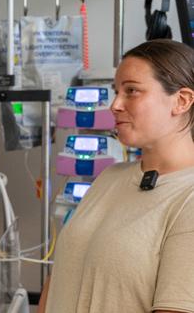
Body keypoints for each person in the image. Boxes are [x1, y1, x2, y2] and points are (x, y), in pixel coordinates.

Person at [40, 39, 194, 313]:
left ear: (181, 101)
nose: (115, 105)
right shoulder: (110, 178)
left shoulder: (187, 198)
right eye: (116, 91)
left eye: (132, 91)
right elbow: (59, 279)